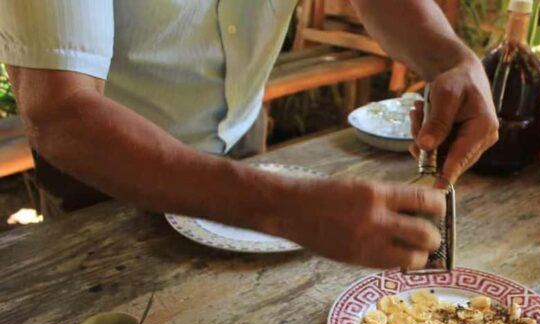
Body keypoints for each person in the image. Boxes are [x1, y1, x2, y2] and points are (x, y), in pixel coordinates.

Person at [0, 0, 498, 269]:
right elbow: (60, 112)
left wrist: (452, 59)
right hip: (105, 179)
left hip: (243, 149)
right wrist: (284, 207)